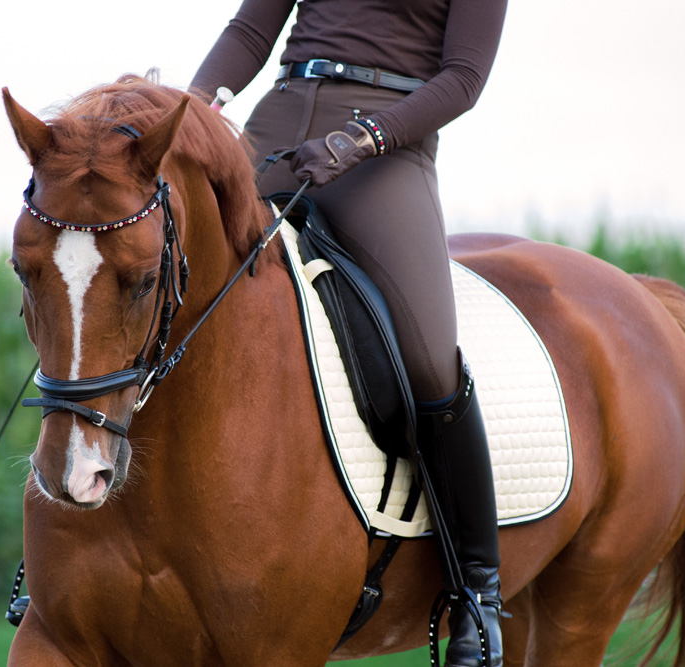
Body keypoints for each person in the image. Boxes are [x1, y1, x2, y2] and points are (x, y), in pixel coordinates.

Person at [191, 0, 507, 665]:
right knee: (171, 287)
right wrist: (192, 107)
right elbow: (251, 30)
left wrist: (364, 138)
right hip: (281, 118)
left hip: (386, 146)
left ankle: (476, 592)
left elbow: (464, 78)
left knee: (428, 363)